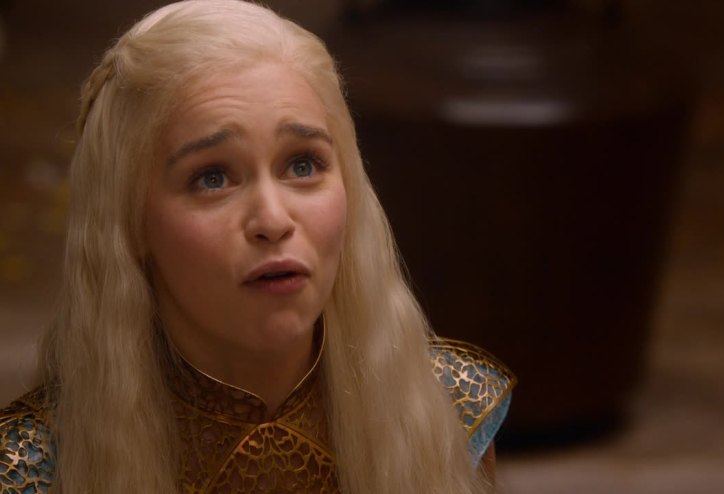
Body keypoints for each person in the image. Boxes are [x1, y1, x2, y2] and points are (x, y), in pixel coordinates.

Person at [0, 1, 515, 492]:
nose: (272, 220)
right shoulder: (31, 469)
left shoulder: (447, 413)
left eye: (303, 165)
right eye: (212, 177)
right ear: (129, 224)